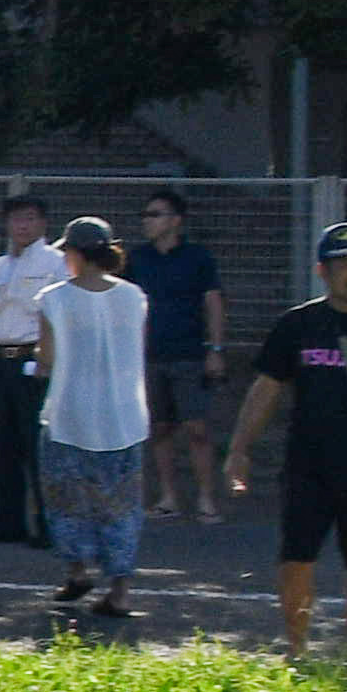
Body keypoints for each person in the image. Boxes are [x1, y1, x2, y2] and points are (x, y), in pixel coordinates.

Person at [227, 220, 347, 665]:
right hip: (309, 465)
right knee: (296, 560)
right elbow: (266, 388)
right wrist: (238, 450)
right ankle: (298, 651)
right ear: (322, 271)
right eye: (345, 263)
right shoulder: (299, 324)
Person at [29, 215, 155, 624]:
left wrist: (37, 366)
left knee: (67, 498)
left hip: (71, 413)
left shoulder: (53, 298)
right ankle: (120, 590)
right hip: (125, 415)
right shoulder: (135, 296)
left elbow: (45, 358)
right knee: (121, 503)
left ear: (76, 254)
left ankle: (77, 571)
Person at [0, 193, 63, 546]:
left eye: (30, 218)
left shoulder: (57, 262)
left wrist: (48, 360)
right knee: (3, 445)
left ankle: (50, 525)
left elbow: (60, 313)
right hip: (0, 359)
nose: (23, 226)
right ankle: (9, 523)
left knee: (37, 444)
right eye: (16, 219)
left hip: (34, 358)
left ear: (43, 223)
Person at [128, 188, 227, 521]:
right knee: (159, 428)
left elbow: (212, 303)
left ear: (176, 221)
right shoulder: (136, 259)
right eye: (145, 215)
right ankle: (168, 496)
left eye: (154, 214)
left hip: (190, 354)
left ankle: (206, 498)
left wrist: (215, 349)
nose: (147, 221)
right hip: (150, 356)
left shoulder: (198, 258)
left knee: (197, 428)